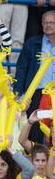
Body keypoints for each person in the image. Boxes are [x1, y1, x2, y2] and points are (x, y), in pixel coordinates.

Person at [15, 10, 55, 145]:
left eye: (51, 22)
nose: (48, 25)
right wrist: (17, 93)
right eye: (45, 22)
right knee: (34, 132)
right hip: (37, 93)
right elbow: (21, 68)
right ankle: (34, 163)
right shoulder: (32, 43)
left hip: (54, 93)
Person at [0, 79, 30, 153]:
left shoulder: (16, 106)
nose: (5, 87)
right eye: (1, 85)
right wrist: (3, 110)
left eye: (7, 85)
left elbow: (24, 132)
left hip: (15, 151)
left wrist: (23, 113)